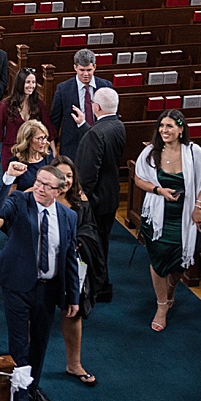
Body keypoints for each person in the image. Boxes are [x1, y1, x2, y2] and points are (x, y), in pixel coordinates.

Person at [0, 160, 80, 401]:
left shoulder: (68, 217)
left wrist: (72, 295)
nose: (39, 188)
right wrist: (6, 179)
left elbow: (70, 258)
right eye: (38, 182)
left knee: (39, 343)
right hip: (17, 284)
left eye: (46, 186)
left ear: (59, 190)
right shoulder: (18, 201)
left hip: (48, 289)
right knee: (19, 346)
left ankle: (31, 387)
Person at [133, 108, 201, 331]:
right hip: (158, 219)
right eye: (161, 126)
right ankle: (161, 306)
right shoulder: (150, 152)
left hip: (184, 217)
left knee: (178, 263)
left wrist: (198, 206)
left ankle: (171, 289)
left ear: (180, 129)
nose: (164, 130)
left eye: (169, 126)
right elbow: (139, 178)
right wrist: (158, 190)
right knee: (158, 261)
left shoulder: (194, 152)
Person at [72, 86, 126, 303]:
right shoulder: (118, 126)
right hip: (111, 196)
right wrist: (84, 126)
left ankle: (99, 286)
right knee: (102, 242)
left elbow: (88, 175)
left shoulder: (96, 133)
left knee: (94, 245)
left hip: (96, 201)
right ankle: (101, 284)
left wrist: (80, 200)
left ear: (96, 107)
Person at [52, 157, 103, 387]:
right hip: (44, 266)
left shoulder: (81, 202)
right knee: (36, 314)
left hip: (74, 266)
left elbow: (90, 229)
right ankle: (27, 361)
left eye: (70, 176)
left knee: (73, 312)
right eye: (61, 176)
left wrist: (79, 242)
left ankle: (74, 363)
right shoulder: (42, 197)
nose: (66, 181)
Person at [50, 48, 114, 161]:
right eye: (82, 70)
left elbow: (112, 117)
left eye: (89, 70)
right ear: (75, 67)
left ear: (95, 67)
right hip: (72, 147)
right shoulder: (63, 89)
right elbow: (55, 121)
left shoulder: (105, 86)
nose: (86, 74)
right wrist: (52, 149)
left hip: (100, 144)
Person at [0, 66, 45, 166]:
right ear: (20, 83)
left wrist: (53, 151)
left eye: (33, 82)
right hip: (11, 150)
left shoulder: (38, 104)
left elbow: (47, 127)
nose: (31, 86)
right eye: (28, 82)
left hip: (31, 151)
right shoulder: (5, 105)